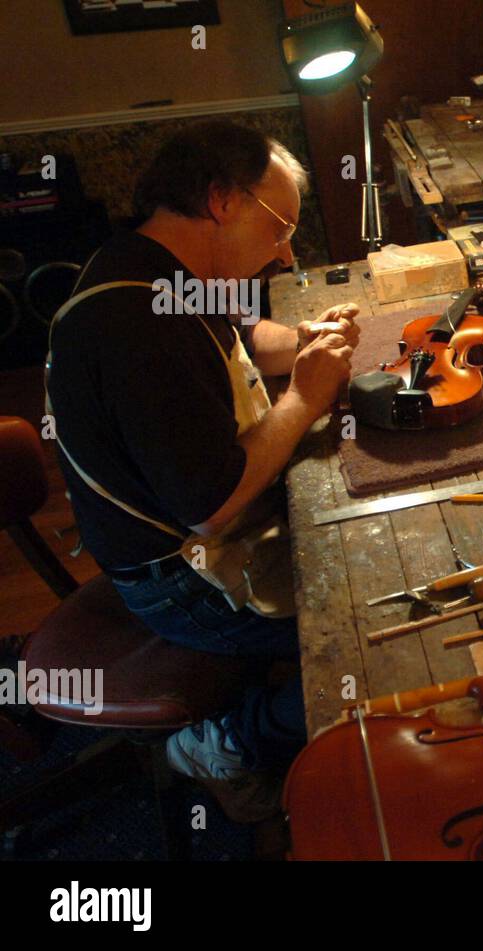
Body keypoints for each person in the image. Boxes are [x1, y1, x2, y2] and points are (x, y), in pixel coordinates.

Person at [45, 121, 358, 821]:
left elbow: (244, 339)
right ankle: (227, 742)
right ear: (222, 200)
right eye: (279, 229)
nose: (285, 254)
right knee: (362, 635)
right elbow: (211, 505)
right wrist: (305, 397)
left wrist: (310, 343)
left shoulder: (162, 269)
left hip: (201, 539)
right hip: (182, 580)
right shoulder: (134, 322)